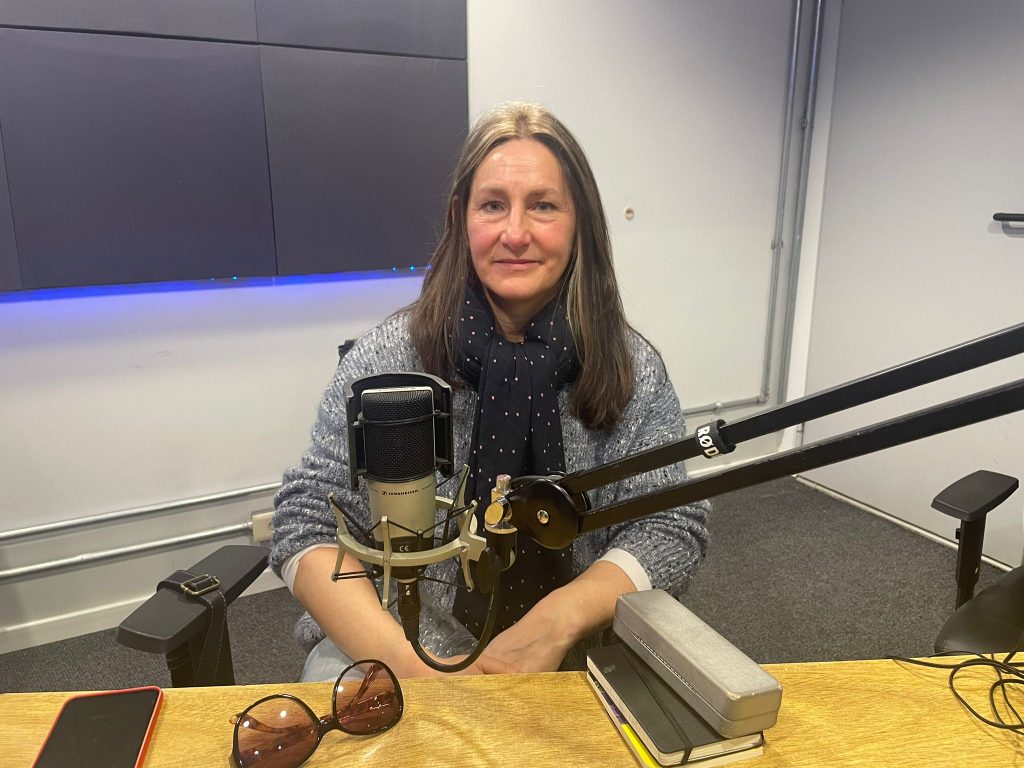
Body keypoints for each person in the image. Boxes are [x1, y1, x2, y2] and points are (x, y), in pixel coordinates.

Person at [271, 101, 710, 680]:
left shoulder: (631, 368)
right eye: (493, 205)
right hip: (404, 639)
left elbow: (672, 523)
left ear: (580, 222)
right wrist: (410, 665)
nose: (515, 233)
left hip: (579, 643)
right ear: (462, 218)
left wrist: (555, 623)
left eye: (544, 206)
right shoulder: (390, 359)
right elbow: (305, 521)